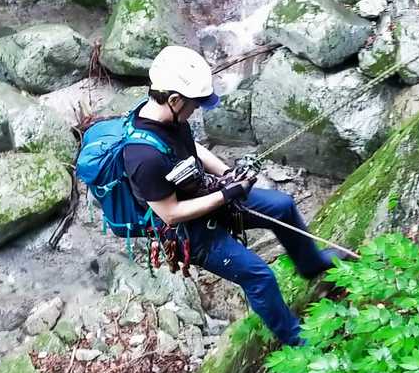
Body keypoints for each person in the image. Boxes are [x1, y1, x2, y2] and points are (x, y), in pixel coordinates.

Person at [122, 45, 341, 346]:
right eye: (194, 104)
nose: (197, 109)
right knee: (258, 275)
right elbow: (169, 214)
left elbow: (193, 148)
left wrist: (227, 173)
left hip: (206, 193)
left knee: (283, 206)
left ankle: (311, 264)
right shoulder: (142, 157)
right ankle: (295, 338)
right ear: (173, 100)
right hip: (189, 232)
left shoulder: (168, 118)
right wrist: (226, 195)